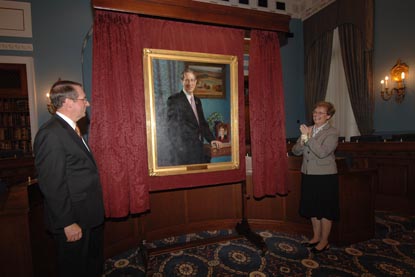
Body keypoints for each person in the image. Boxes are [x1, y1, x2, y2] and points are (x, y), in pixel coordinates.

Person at [34, 80, 105, 277]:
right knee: (75, 270)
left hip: (87, 215)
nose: (87, 103)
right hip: (73, 221)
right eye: (84, 99)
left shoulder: (71, 129)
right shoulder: (51, 134)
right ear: (68, 102)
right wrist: (67, 222)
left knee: (91, 266)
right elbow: (51, 184)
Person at [291, 101, 339, 253]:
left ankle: (324, 241)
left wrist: (309, 137)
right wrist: (304, 139)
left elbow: (323, 152)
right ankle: (316, 237)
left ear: (328, 116)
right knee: (312, 208)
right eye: (315, 112)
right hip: (308, 174)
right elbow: (296, 151)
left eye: (320, 113)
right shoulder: (309, 129)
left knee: (324, 210)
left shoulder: (332, 132)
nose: (316, 115)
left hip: (325, 176)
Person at [167, 68, 222, 165]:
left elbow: (202, 124)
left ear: (196, 82)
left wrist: (212, 140)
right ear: (182, 82)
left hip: (198, 149)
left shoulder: (197, 101)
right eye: (186, 80)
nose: (190, 83)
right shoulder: (174, 100)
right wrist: (179, 149)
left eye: (192, 80)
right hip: (183, 152)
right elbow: (172, 128)